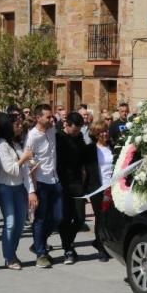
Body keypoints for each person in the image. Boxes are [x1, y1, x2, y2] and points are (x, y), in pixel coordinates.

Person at [0, 112, 33, 269]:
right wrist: (24, 158)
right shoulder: (2, 144)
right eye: (16, 124)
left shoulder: (17, 144)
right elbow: (10, 169)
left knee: (19, 224)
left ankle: (13, 252)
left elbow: (23, 168)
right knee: (10, 223)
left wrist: (30, 163)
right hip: (5, 188)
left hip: (19, 188)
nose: (19, 126)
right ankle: (9, 257)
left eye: (20, 124)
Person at [26, 103, 60, 269]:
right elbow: (28, 160)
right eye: (47, 116)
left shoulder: (52, 130)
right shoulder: (32, 136)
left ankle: (38, 243)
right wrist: (32, 190)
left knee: (57, 217)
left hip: (54, 179)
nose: (51, 119)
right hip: (41, 181)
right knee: (41, 218)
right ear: (38, 117)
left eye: (51, 116)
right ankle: (40, 253)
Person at [57, 111, 88, 264]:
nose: (77, 133)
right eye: (75, 130)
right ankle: (68, 248)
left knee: (80, 218)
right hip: (62, 182)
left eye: (79, 130)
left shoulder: (80, 137)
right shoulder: (58, 138)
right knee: (65, 218)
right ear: (66, 125)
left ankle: (68, 244)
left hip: (77, 182)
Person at [89, 120, 113, 261]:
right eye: (102, 132)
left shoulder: (113, 146)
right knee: (101, 218)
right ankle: (101, 247)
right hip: (98, 188)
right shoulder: (91, 149)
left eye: (106, 131)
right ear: (96, 135)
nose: (105, 134)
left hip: (113, 187)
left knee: (110, 218)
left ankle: (107, 244)